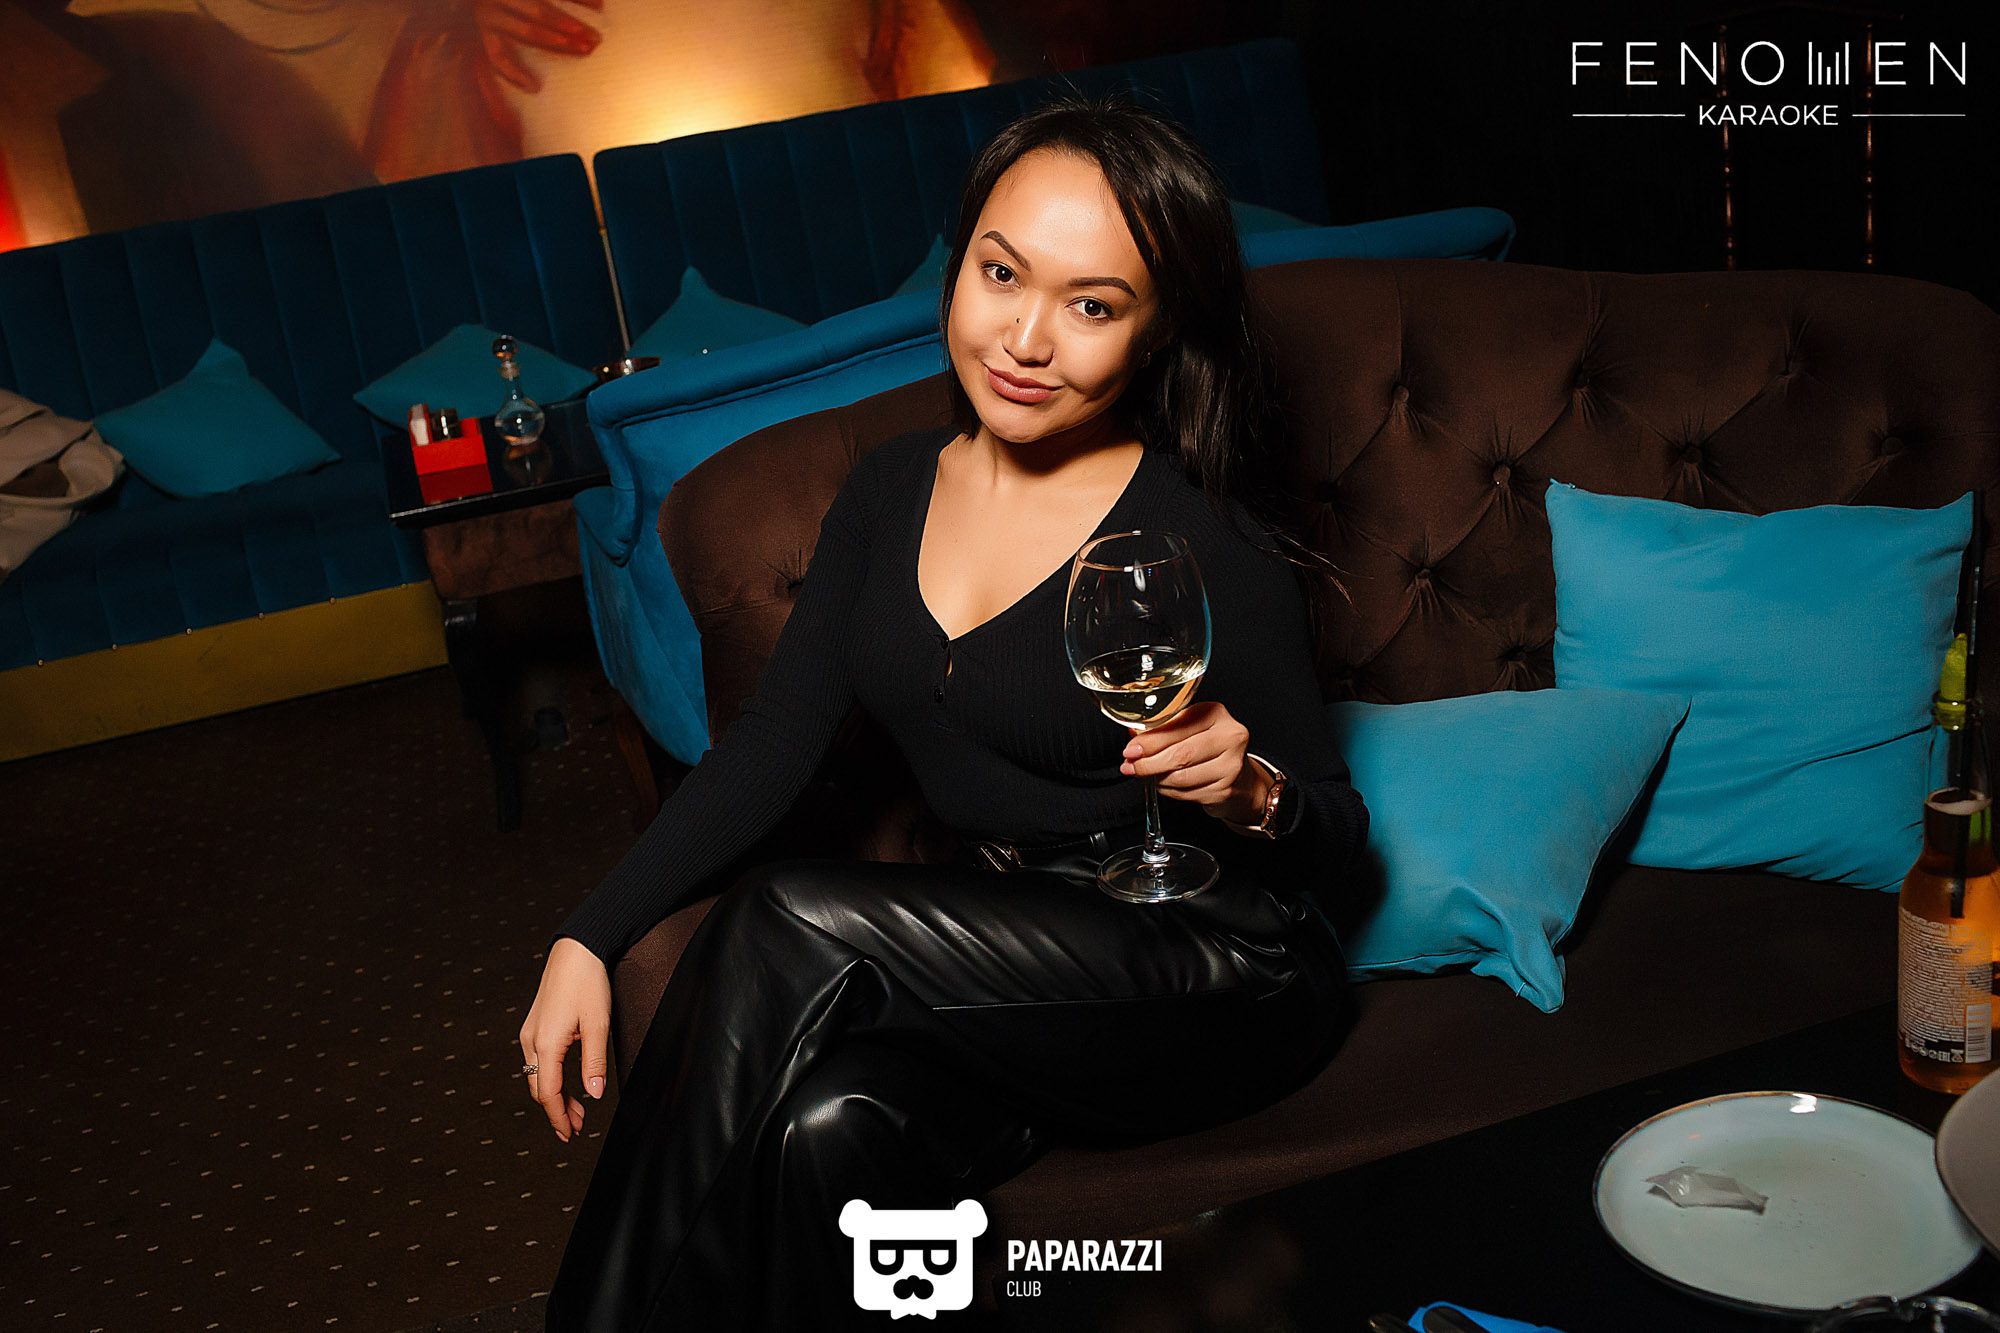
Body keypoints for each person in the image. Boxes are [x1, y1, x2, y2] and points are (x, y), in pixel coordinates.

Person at [526, 94, 1369, 1331]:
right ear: (957, 262)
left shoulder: (1195, 531)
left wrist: (1253, 791)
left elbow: (1338, 844)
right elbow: (772, 743)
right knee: (826, 1128)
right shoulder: (886, 491)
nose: (1024, 339)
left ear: (1156, 329)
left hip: (1217, 971)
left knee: (782, 915)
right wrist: (588, 934)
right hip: (1007, 960)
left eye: (1092, 305)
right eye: (1000, 274)